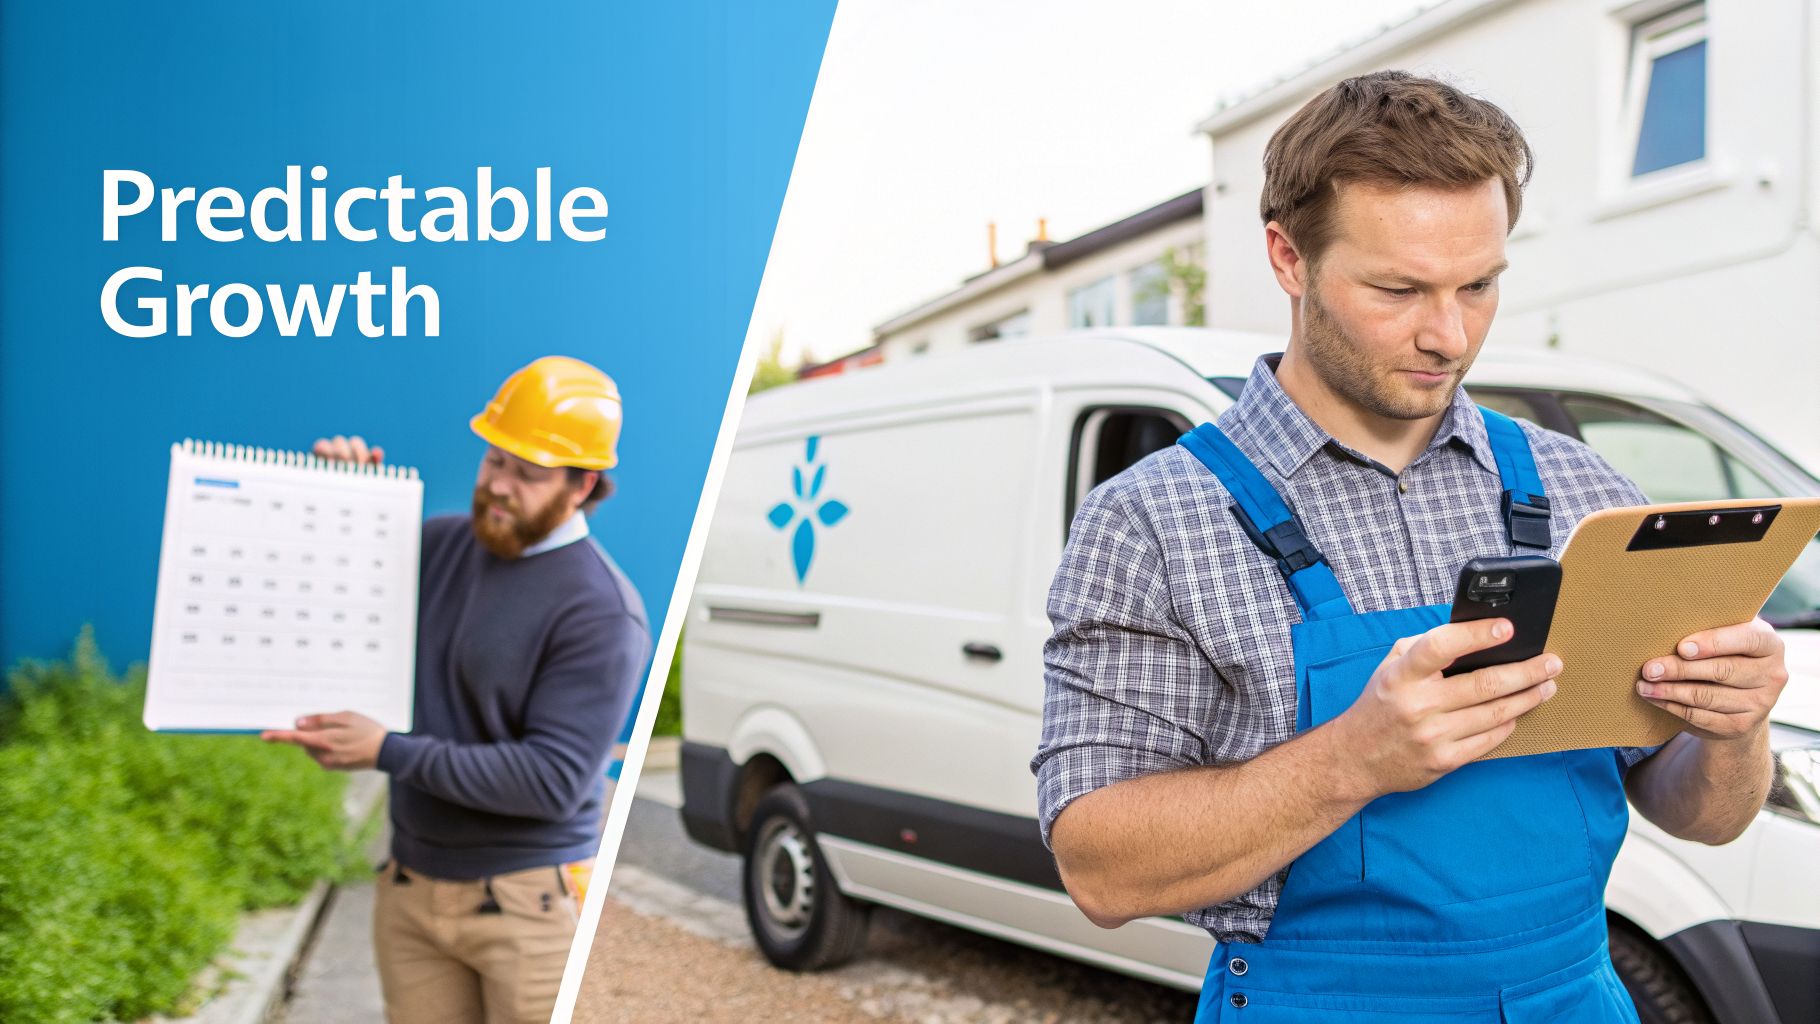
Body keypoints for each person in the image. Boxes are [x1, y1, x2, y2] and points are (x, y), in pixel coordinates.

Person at [1031, 71, 1787, 1023]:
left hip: (1575, 998)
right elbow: (1099, 869)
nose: (1449, 334)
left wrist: (1734, 727)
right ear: (1287, 258)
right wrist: (1354, 758)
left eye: (1480, 285)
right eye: (1398, 288)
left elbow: (1704, 817)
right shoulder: (1150, 522)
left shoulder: (1584, 493)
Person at [262, 355, 651, 1024]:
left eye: (526, 474)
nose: (499, 486)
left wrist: (387, 751)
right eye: (494, 461)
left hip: (529, 909)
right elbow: (327, 593)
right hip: (411, 889)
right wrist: (340, 501)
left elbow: (551, 779)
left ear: (582, 485)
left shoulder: (601, 612)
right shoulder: (441, 545)